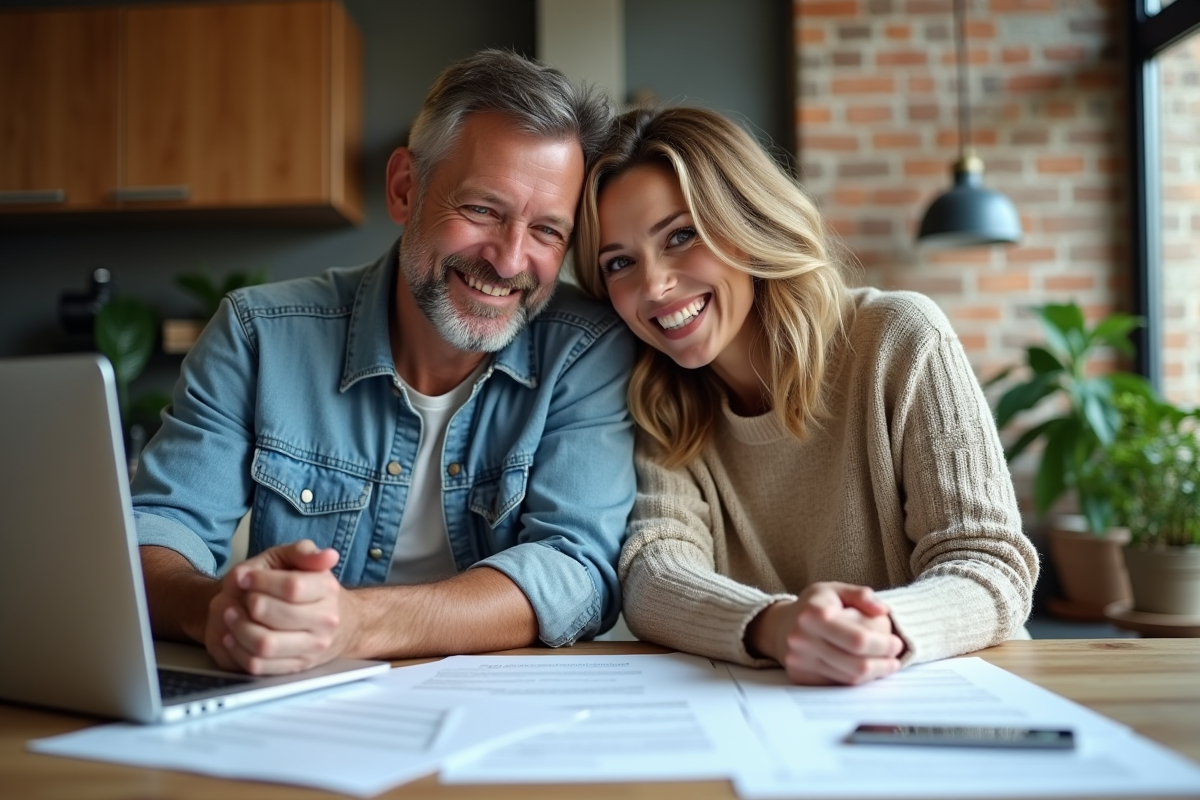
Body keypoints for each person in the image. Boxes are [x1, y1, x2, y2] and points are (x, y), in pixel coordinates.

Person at [133, 50, 635, 675]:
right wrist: (216, 608)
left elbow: (575, 568)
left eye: (546, 232)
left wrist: (356, 623)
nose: (509, 262)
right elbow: (157, 530)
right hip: (304, 708)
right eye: (482, 209)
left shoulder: (586, 350)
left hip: (502, 712)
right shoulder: (258, 335)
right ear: (405, 189)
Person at [574, 106, 1039, 686]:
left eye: (681, 235)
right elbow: (652, 573)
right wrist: (777, 625)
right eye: (619, 263)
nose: (654, 286)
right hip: (782, 707)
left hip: (955, 690)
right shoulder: (659, 401)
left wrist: (873, 631)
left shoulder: (900, 338)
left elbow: (990, 564)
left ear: (746, 223)